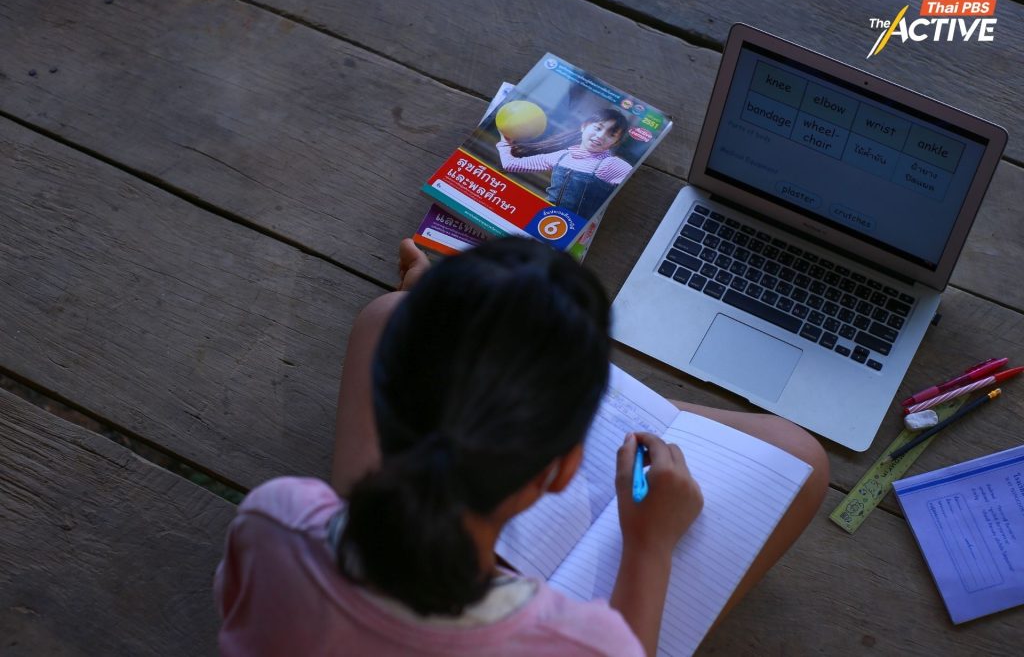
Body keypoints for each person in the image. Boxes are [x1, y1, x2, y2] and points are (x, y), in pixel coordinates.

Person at [215, 238, 829, 657]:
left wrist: (444, 334)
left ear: (386, 397)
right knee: (798, 453)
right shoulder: (582, 643)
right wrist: (649, 546)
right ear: (561, 471)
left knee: (388, 313)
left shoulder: (275, 517)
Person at [496, 108, 632, 221]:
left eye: (611, 135)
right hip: (544, 220)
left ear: (615, 142)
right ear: (584, 126)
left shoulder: (611, 165)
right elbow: (511, 164)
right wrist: (504, 142)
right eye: (598, 128)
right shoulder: (562, 156)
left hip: (574, 229)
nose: (601, 136)